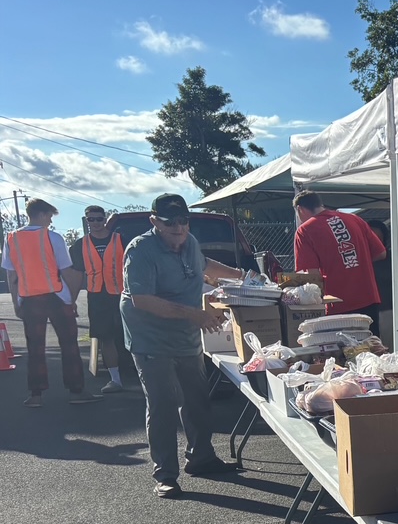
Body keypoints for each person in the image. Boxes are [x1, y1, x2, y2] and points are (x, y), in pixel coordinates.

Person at [120, 194, 244, 498]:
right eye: (169, 221)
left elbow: (204, 265)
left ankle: (201, 458)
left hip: (186, 334)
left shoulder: (188, 242)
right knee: (162, 404)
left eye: (183, 220)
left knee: (197, 399)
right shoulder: (140, 250)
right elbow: (142, 300)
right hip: (151, 337)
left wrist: (242, 276)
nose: (178, 227)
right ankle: (165, 475)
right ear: (154, 221)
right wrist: (195, 314)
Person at [2, 198, 98, 407]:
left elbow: (12, 276)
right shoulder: (52, 237)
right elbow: (66, 271)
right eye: (50, 217)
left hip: (28, 298)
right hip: (57, 296)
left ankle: (35, 395)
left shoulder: (11, 239)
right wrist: (71, 299)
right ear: (44, 214)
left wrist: (16, 303)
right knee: (69, 345)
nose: (50, 221)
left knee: (35, 347)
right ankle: (76, 391)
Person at [292, 192, 386, 328]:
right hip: (368, 297)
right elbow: (381, 253)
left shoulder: (305, 230)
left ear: (300, 209)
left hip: (337, 304)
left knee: (344, 348)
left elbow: (312, 276)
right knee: (371, 346)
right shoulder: (354, 219)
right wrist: (358, 260)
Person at [72, 205, 127, 394]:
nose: (95, 223)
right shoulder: (80, 244)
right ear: (86, 221)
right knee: (106, 337)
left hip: (122, 294)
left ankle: (143, 376)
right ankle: (116, 380)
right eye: (90, 219)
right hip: (97, 296)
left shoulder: (121, 239)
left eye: (98, 219)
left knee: (132, 335)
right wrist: (71, 301)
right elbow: (76, 274)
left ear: (105, 220)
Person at [368, 218, 396, 350]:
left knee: (388, 348)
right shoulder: (361, 258)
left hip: (389, 309)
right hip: (367, 310)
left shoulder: (392, 257)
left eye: (378, 237)